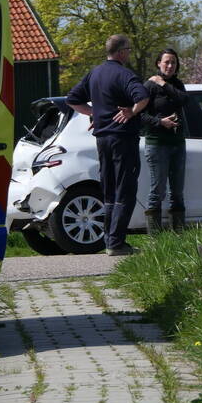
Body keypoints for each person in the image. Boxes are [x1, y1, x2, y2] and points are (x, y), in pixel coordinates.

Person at [66, 35, 149, 256]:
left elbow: (72, 99)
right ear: (121, 51)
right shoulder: (125, 74)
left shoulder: (95, 73)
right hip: (123, 138)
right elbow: (143, 97)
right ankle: (116, 243)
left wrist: (95, 113)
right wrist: (131, 111)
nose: (129, 53)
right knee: (125, 188)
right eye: (128, 49)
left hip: (102, 140)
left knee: (109, 189)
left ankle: (109, 240)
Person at [141, 48, 188, 233]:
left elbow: (184, 100)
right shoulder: (149, 86)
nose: (170, 65)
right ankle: (156, 238)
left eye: (173, 62)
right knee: (158, 190)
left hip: (178, 143)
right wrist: (160, 122)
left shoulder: (177, 84)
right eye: (166, 62)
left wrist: (164, 84)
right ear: (158, 63)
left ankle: (178, 235)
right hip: (157, 144)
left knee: (177, 192)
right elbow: (139, 114)